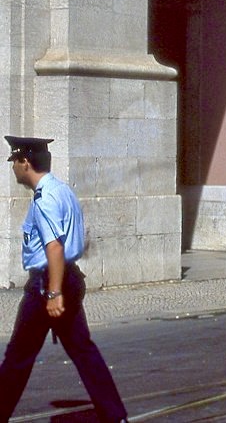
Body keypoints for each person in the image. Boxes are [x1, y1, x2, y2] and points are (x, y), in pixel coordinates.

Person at [0, 136, 128, 423]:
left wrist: (53, 293)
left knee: (18, 357)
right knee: (84, 352)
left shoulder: (45, 199)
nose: (13, 168)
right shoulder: (63, 191)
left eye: (14, 162)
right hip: (68, 277)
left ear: (25, 162)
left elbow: (54, 247)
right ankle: (115, 416)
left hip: (48, 283)